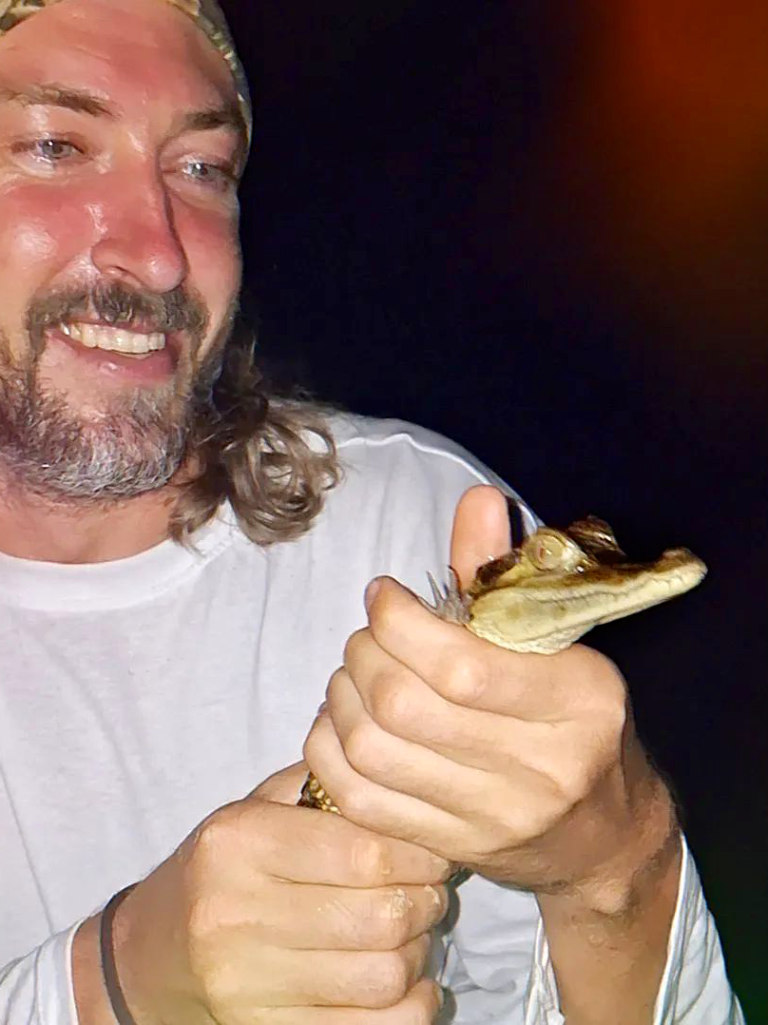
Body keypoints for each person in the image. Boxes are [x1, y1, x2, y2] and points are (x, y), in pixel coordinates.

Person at [0, 1, 742, 1023]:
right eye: (54, 146)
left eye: (202, 168)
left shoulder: (422, 522)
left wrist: (621, 872)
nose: (160, 254)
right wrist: (118, 977)